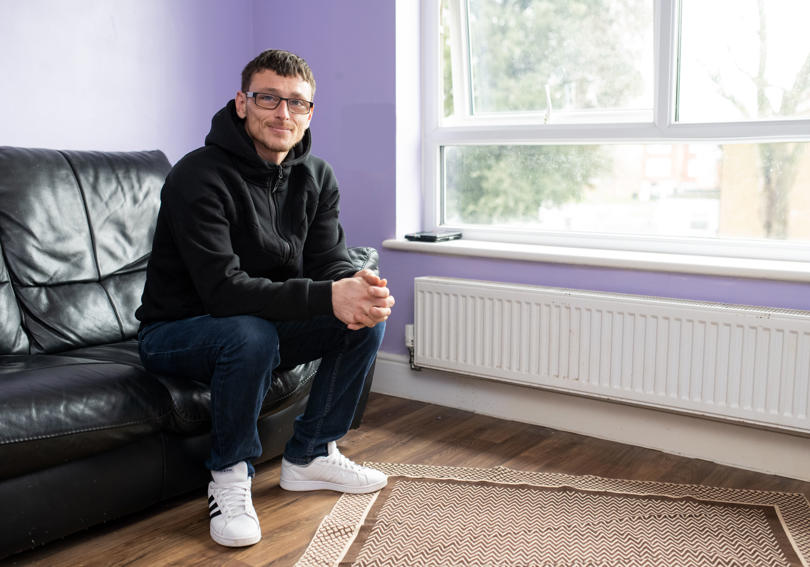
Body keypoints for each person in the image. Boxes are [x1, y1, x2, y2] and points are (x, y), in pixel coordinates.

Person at [135, 49, 394, 548]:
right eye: (268, 98)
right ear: (241, 102)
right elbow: (222, 290)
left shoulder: (316, 175)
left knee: (363, 317)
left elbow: (328, 261)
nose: (283, 113)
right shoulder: (196, 176)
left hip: (257, 323)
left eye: (297, 103)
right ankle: (230, 479)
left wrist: (356, 287)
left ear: (310, 112)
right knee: (248, 332)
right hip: (176, 331)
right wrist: (327, 295)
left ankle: (312, 456)